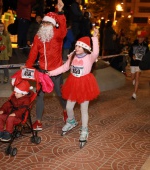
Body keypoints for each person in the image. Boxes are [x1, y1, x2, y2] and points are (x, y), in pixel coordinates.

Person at [47, 28, 100, 143]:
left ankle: (84, 129)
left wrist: (95, 38)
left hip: (85, 84)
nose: (77, 48)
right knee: (68, 107)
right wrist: (51, 73)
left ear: (85, 48)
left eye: (79, 46)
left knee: (83, 109)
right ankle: (71, 121)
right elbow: (64, 68)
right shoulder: (72, 56)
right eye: (76, 46)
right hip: (73, 83)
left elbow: (96, 52)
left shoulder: (89, 57)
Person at [21, 0, 67, 131]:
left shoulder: (58, 36)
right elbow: (33, 54)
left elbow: (63, 27)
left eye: (48, 23)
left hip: (56, 71)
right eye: (44, 23)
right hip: (42, 71)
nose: (46, 25)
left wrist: (60, 11)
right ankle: (39, 121)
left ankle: (65, 111)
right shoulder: (38, 38)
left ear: (53, 25)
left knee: (60, 94)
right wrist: (27, 67)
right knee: (39, 95)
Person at [129, 30, 149, 99]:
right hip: (133, 63)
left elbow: (147, 55)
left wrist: (144, 59)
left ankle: (134, 94)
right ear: (137, 38)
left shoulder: (146, 46)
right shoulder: (133, 44)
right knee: (132, 77)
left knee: (137, 77)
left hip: (140, 64)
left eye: (142, 37)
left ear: (144, 38)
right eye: (139, 37)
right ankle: (133, 80)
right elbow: (130, 52)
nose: (140, 39)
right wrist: (132, 56)